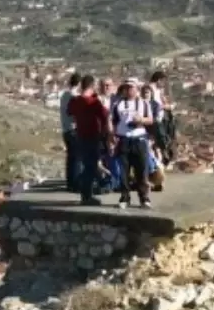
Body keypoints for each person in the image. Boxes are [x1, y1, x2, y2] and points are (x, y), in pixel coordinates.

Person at [110, 78, 156, 209]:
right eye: (126, 87)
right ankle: (125, 196)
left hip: (139, 139)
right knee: (124, 170)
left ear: (136, 89)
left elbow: (151, 120)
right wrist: (112, 136)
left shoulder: (144, 104)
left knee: (141, 169)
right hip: (124, 139)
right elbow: (113, 121)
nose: (128, 90)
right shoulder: (118, 104)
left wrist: (141, 120)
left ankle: (144, 197)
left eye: (131, 87)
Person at [66, 75, 110, 206]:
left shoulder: (75, 101)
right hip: (92, 136)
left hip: (80, 136)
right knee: (90, 167)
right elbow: (105, 115)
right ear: (92, 86)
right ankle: (86, 196)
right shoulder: (93, 102)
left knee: (87, 165)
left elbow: (69, 112)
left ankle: (86, 194)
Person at [59, 73, 81, 191]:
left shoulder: (64, 95)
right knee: (76, 157)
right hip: (73, 129)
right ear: (79, 83)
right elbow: (74, 113)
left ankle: (70, 182)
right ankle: (75, 183)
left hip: (65, 129)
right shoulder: (74, 96)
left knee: (70, 158)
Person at [148, 69, 177, 162]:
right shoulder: (150, 88)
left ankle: (166, 148)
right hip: (155, 118)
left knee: (170, 126)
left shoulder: (158, 90)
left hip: (161, 117)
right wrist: (166, 106)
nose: (164, 84)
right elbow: (154, 104)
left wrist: (167, 103)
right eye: (163, 81)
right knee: (161, 136)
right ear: (159, 80)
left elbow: (162, 101)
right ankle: (165, 149)